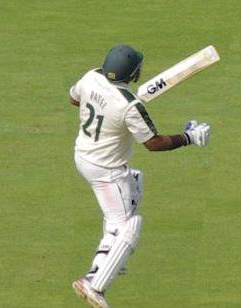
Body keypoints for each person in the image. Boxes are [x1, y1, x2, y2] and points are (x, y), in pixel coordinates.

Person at [69, 44, 211, 307]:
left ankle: (108, 262)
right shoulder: (129, 106)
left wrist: (105, 106)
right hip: (107, 171)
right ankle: (95, 284)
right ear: (131, 72)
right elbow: (153, 143)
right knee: (130, 226)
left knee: (134, 181)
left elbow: (74, 99)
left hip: (83, 157)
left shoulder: (90, 77)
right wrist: (189, 137)